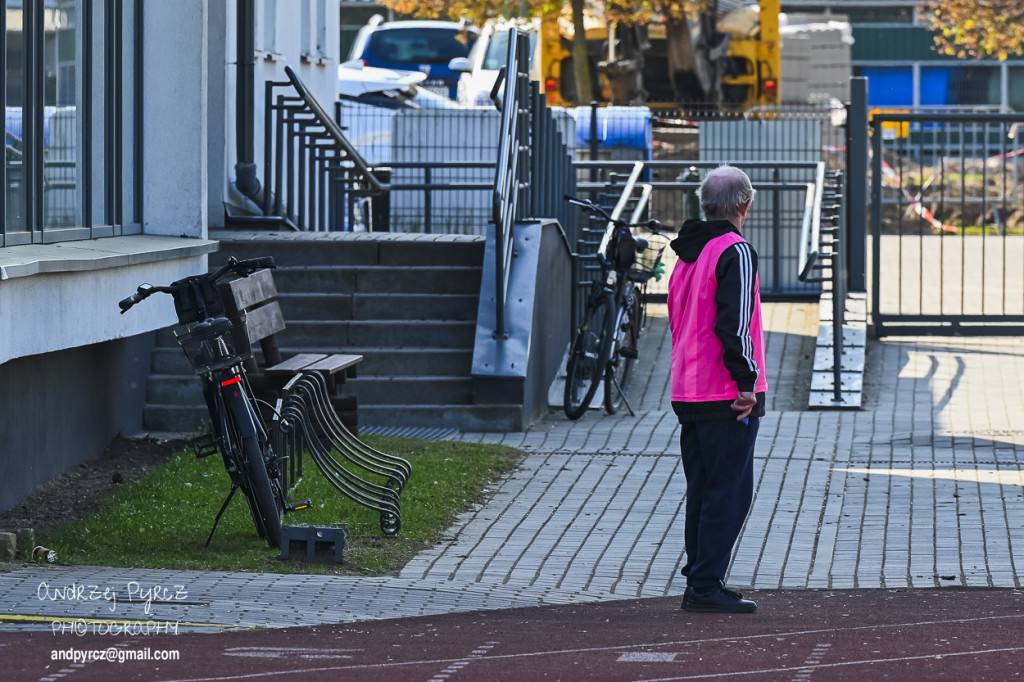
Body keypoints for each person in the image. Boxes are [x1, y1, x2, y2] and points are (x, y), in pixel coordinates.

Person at [667, 165, 767, 614]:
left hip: (688, 388)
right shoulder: (736, 251)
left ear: (704, 204)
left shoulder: (687, 253)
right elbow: (736, 323)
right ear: (746, 205)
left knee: (704, 489)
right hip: (725, 391)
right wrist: (746, 382)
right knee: (730, 492)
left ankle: (700, 578)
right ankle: (706, 584)